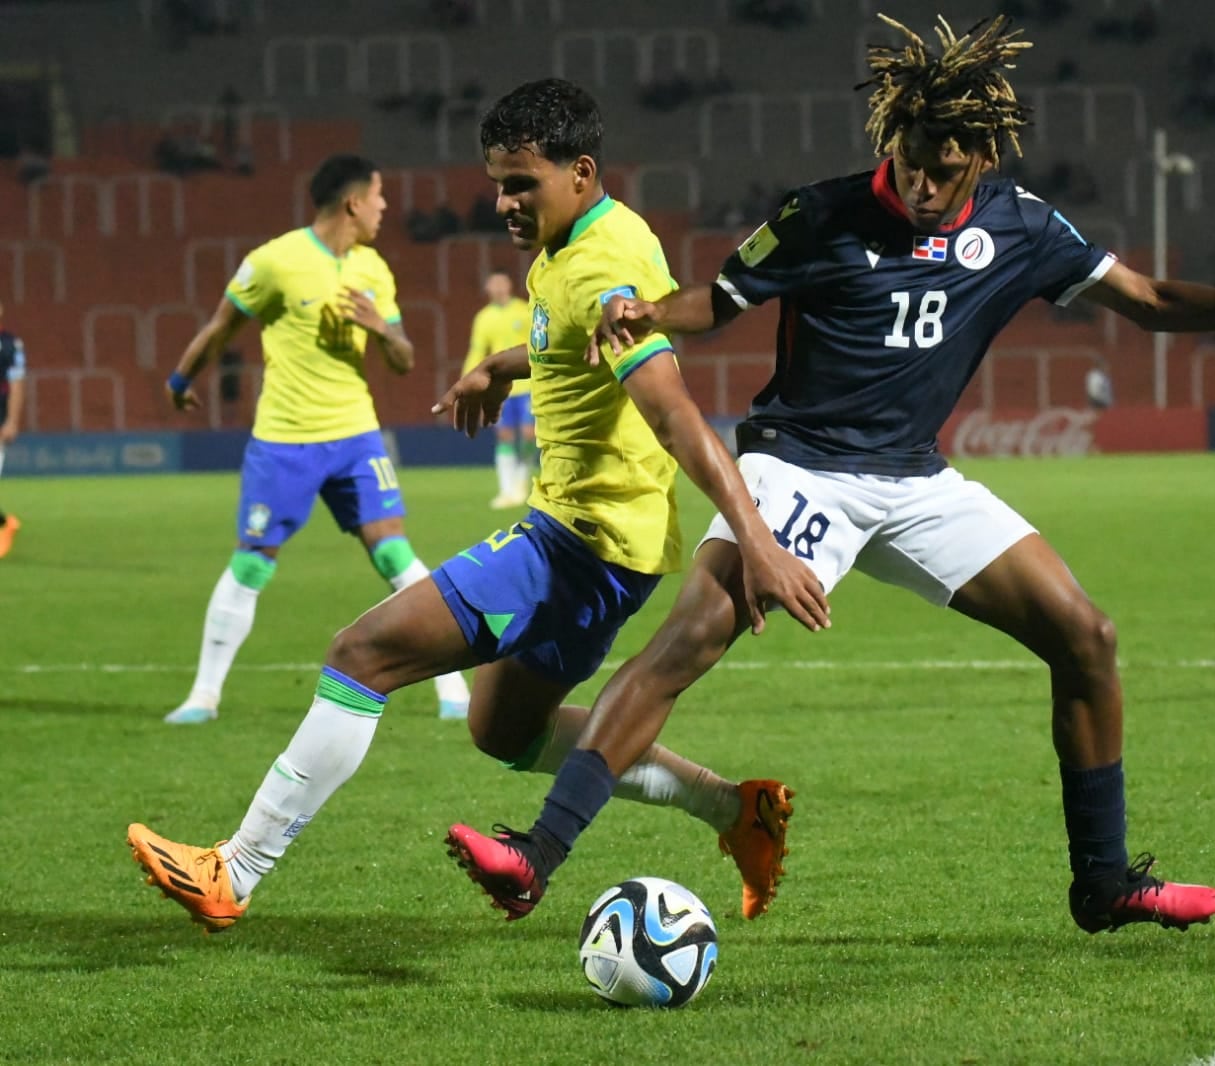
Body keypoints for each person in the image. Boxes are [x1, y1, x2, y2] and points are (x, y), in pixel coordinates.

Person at [444, 15, 1215, 935]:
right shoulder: (821, 213)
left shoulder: (1023, 228)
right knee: (686, 644)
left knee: (1085, 636)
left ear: (983, 158)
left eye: (946, 165)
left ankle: (1103, 884)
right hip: (799, 467)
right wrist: (648, 309)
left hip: (916, 482)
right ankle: (537, 855)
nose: (923, 182)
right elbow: (716, 300)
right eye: (910, 157)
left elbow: (1148, 300)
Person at [127, 79, 829, 933]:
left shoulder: (603, 266)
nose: (503, 201)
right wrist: (504, 364)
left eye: (521, 183)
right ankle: (732, 810)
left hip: (580, 543)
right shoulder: (583, 242)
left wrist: (753, 536)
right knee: (501, 730)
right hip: (612, 548)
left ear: (581, 171)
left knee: (363, 652)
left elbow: (673, 412)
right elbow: (574, 346)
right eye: (497, 182)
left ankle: (234, 870)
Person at [159, 154, 473, 724]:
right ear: (353, 202)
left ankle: (453, 688)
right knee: (254, 563)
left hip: (355, 435)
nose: (384, 208)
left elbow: (402, 359)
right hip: (284, 439)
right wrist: (181, 379)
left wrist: (380, 327)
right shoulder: (275, 262)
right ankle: (203, 696)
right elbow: (221, 325)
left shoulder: (374, 269)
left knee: (394, 552)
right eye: (379, 197)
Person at [464, 270, 538, 507]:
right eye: (493, 284)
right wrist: (469, 378)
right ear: (488, 288)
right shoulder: (483, 318)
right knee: (504, 435)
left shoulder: (524, 310)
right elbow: (477, 350)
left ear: (509, 285)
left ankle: (521, 480)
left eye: (501, 283)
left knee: (529, 434)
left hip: (528, 383)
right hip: (501, 386)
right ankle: (506, 489)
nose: (498, 288)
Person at [0, 299, 25, 559]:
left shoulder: (10, 345)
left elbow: (17, 385)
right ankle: (5, 523)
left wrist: (12, 421)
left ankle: (5, 525)